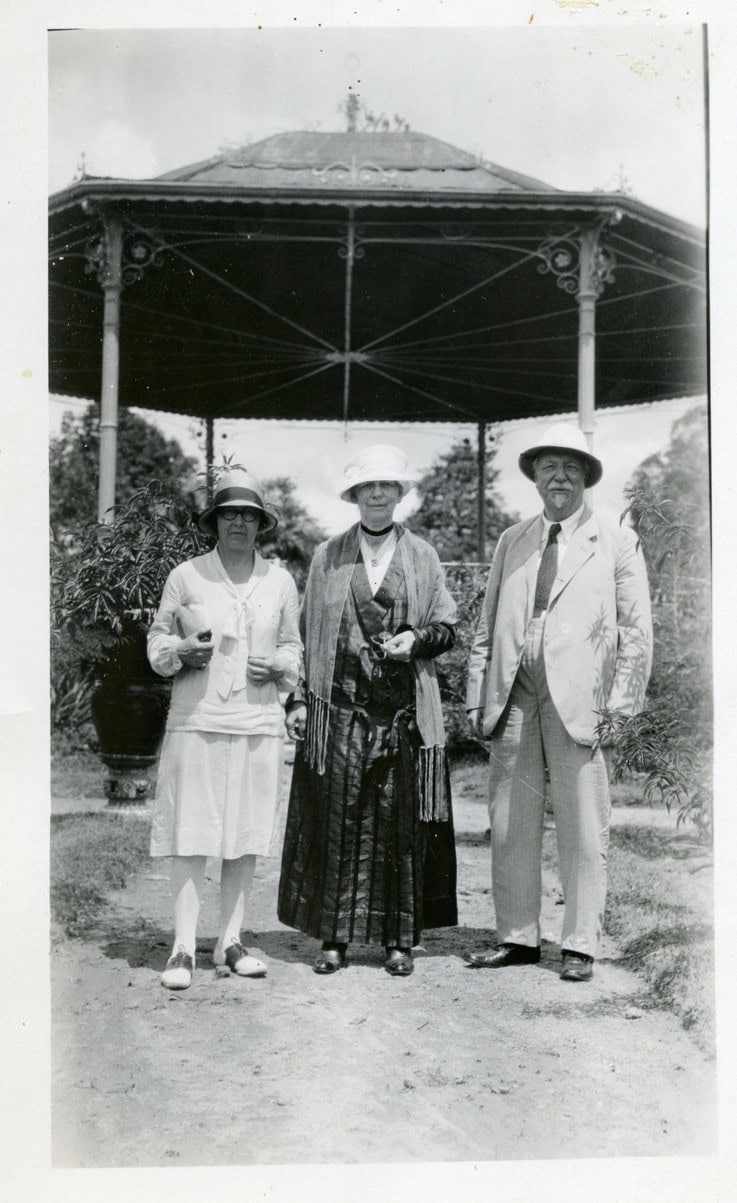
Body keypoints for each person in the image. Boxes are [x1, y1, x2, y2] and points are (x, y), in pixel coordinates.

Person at [465, 423, 652, 982]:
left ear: (587, 477)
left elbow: (636, 630)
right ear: (535, 476)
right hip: (515, 695)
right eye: (548, 467)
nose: (559, 477)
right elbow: (486, 623)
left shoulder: (617, 541)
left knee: (583, 825)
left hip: (582, 704)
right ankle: (518, 937)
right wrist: (480, 693)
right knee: (510, 821)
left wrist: (620, 707)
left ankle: (580, 943)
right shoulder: (513, 539)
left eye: (571, 467)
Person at [277, 444, 458, 977]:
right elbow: (306, 634)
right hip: (339, 715)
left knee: (397, 827)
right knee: (338, 820)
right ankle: (333, 938)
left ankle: (398, 939)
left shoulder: (422, 556)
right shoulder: (327, 556)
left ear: (400, 494)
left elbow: (448, 628)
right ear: (354, 495)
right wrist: (299, 702)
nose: (377, 494)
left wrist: (416, 639)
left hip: (403, 717)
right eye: (367, 487)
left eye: (388, 486)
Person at [147, 468, 301, 990]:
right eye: (230, 514)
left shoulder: (279, 581)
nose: (239, 523)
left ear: (262, 524)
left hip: (258, 720)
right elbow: (158, 640)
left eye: (249, 516)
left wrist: (279, 668)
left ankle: (231, 942)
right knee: (191, 832)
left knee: (244, 834)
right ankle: (183, 948)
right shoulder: (186, 575)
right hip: (198, 716)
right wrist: (181, 652)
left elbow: (292, 647)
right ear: (214, 521)